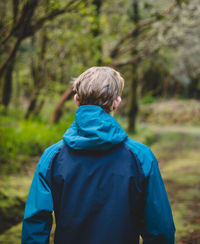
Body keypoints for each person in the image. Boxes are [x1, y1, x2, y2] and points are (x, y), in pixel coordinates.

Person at [21, 66, 175, 244]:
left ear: (76, 100)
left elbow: (35, 224)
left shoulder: (52, 158)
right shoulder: (141, 157)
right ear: (116, 102)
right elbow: (160, 228)